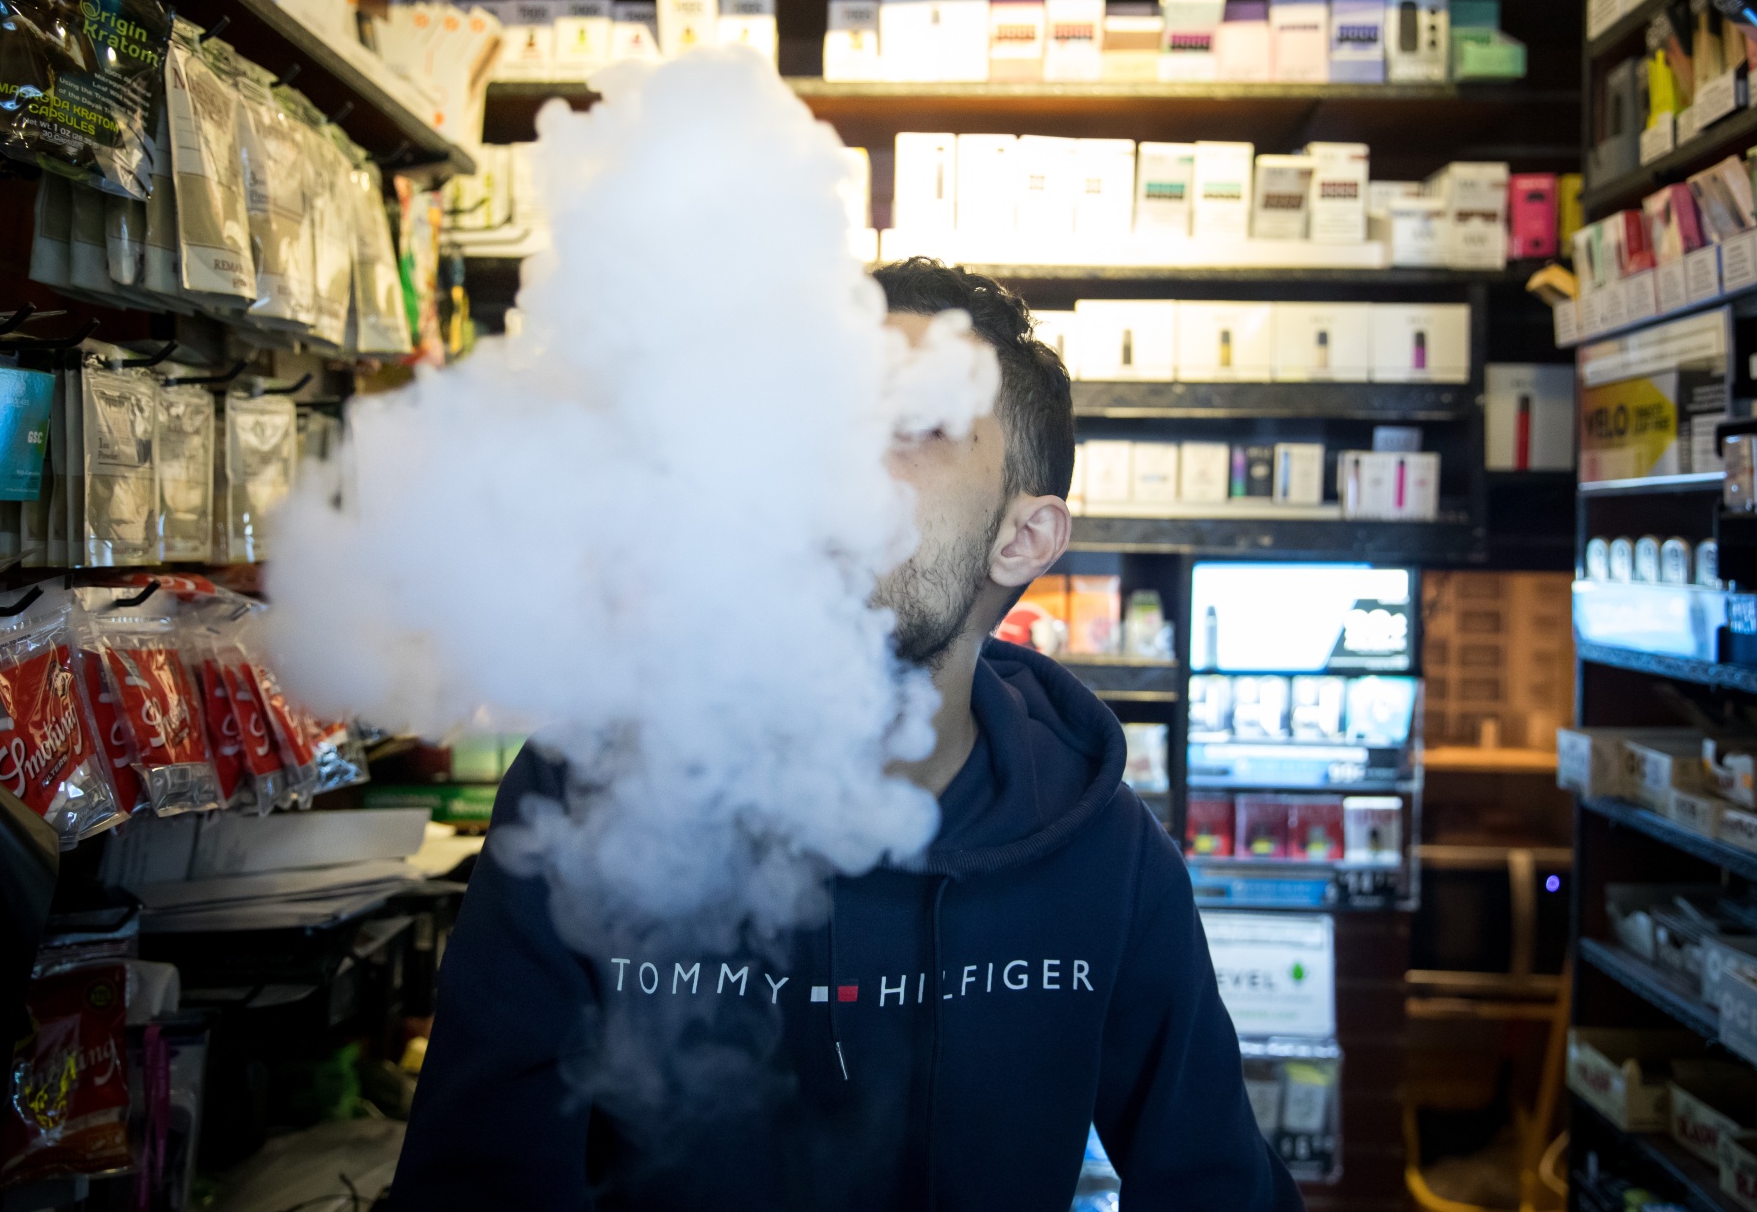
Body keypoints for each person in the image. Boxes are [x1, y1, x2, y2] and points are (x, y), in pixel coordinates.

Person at [387, 259, 1302, 1211]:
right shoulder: (588, 795)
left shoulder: (1101, 850)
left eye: (911, 426)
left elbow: (1219, 1190)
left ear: (1021, 539)